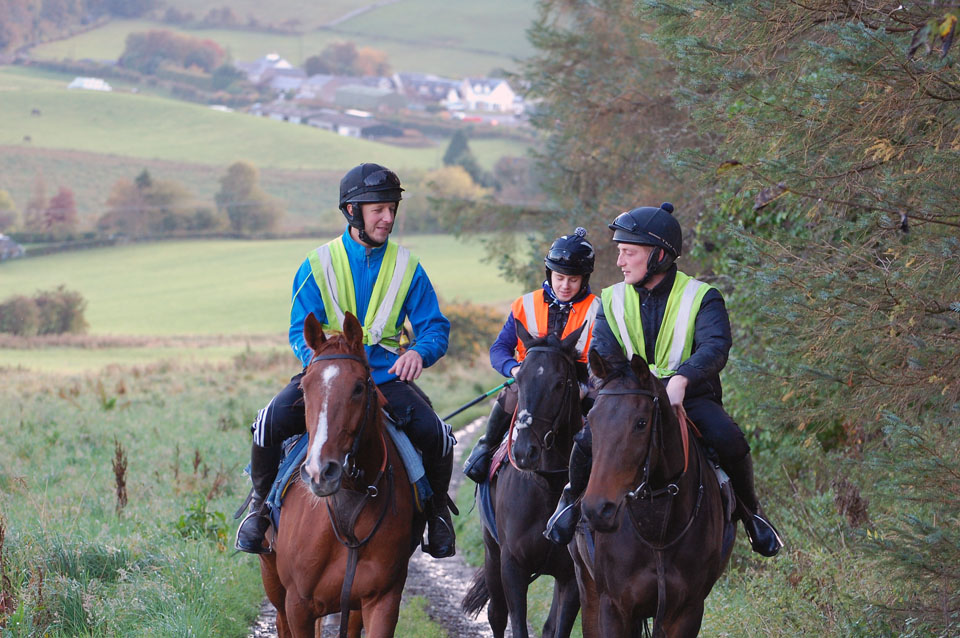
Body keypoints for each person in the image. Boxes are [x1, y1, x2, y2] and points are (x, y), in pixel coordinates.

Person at [236, 163, 457, 558]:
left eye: (392, 208)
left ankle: (438, 515)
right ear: (353, 211)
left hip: (386, 378)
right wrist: (322, 365)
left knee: (439, 436)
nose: (388, 218)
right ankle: (259, 510)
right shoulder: (316, 264)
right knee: (268, 423)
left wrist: (418, 353)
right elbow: (296, 330)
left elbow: (435, 329)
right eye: (378, 210)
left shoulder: (408, 267)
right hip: (326, 377)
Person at [544, 203, 784, 557]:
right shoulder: (611, 299)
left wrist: (682, 378)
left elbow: (716, 347)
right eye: (620, 253)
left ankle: (753, 515)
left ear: (656, 255)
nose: (619, 261)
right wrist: (630, 387)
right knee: (586, 439)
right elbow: (604, 354)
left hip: (686, 398)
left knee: (728, 437)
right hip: (630, 397)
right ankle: (569, 500)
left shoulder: (702, 296)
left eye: (628, 253)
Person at [463, 227, 600, 483]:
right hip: (531, 379)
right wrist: (514, 370)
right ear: (549, 273)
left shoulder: (597, 309)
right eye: (559, 277)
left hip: (579, 383)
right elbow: (499, 350)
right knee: (511, 394)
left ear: (584, 279)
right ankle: (485, 446)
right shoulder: (524, 304)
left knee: (604, 411)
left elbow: (602, 357)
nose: (565, 285)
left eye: (573, 279)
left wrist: (586, 385)